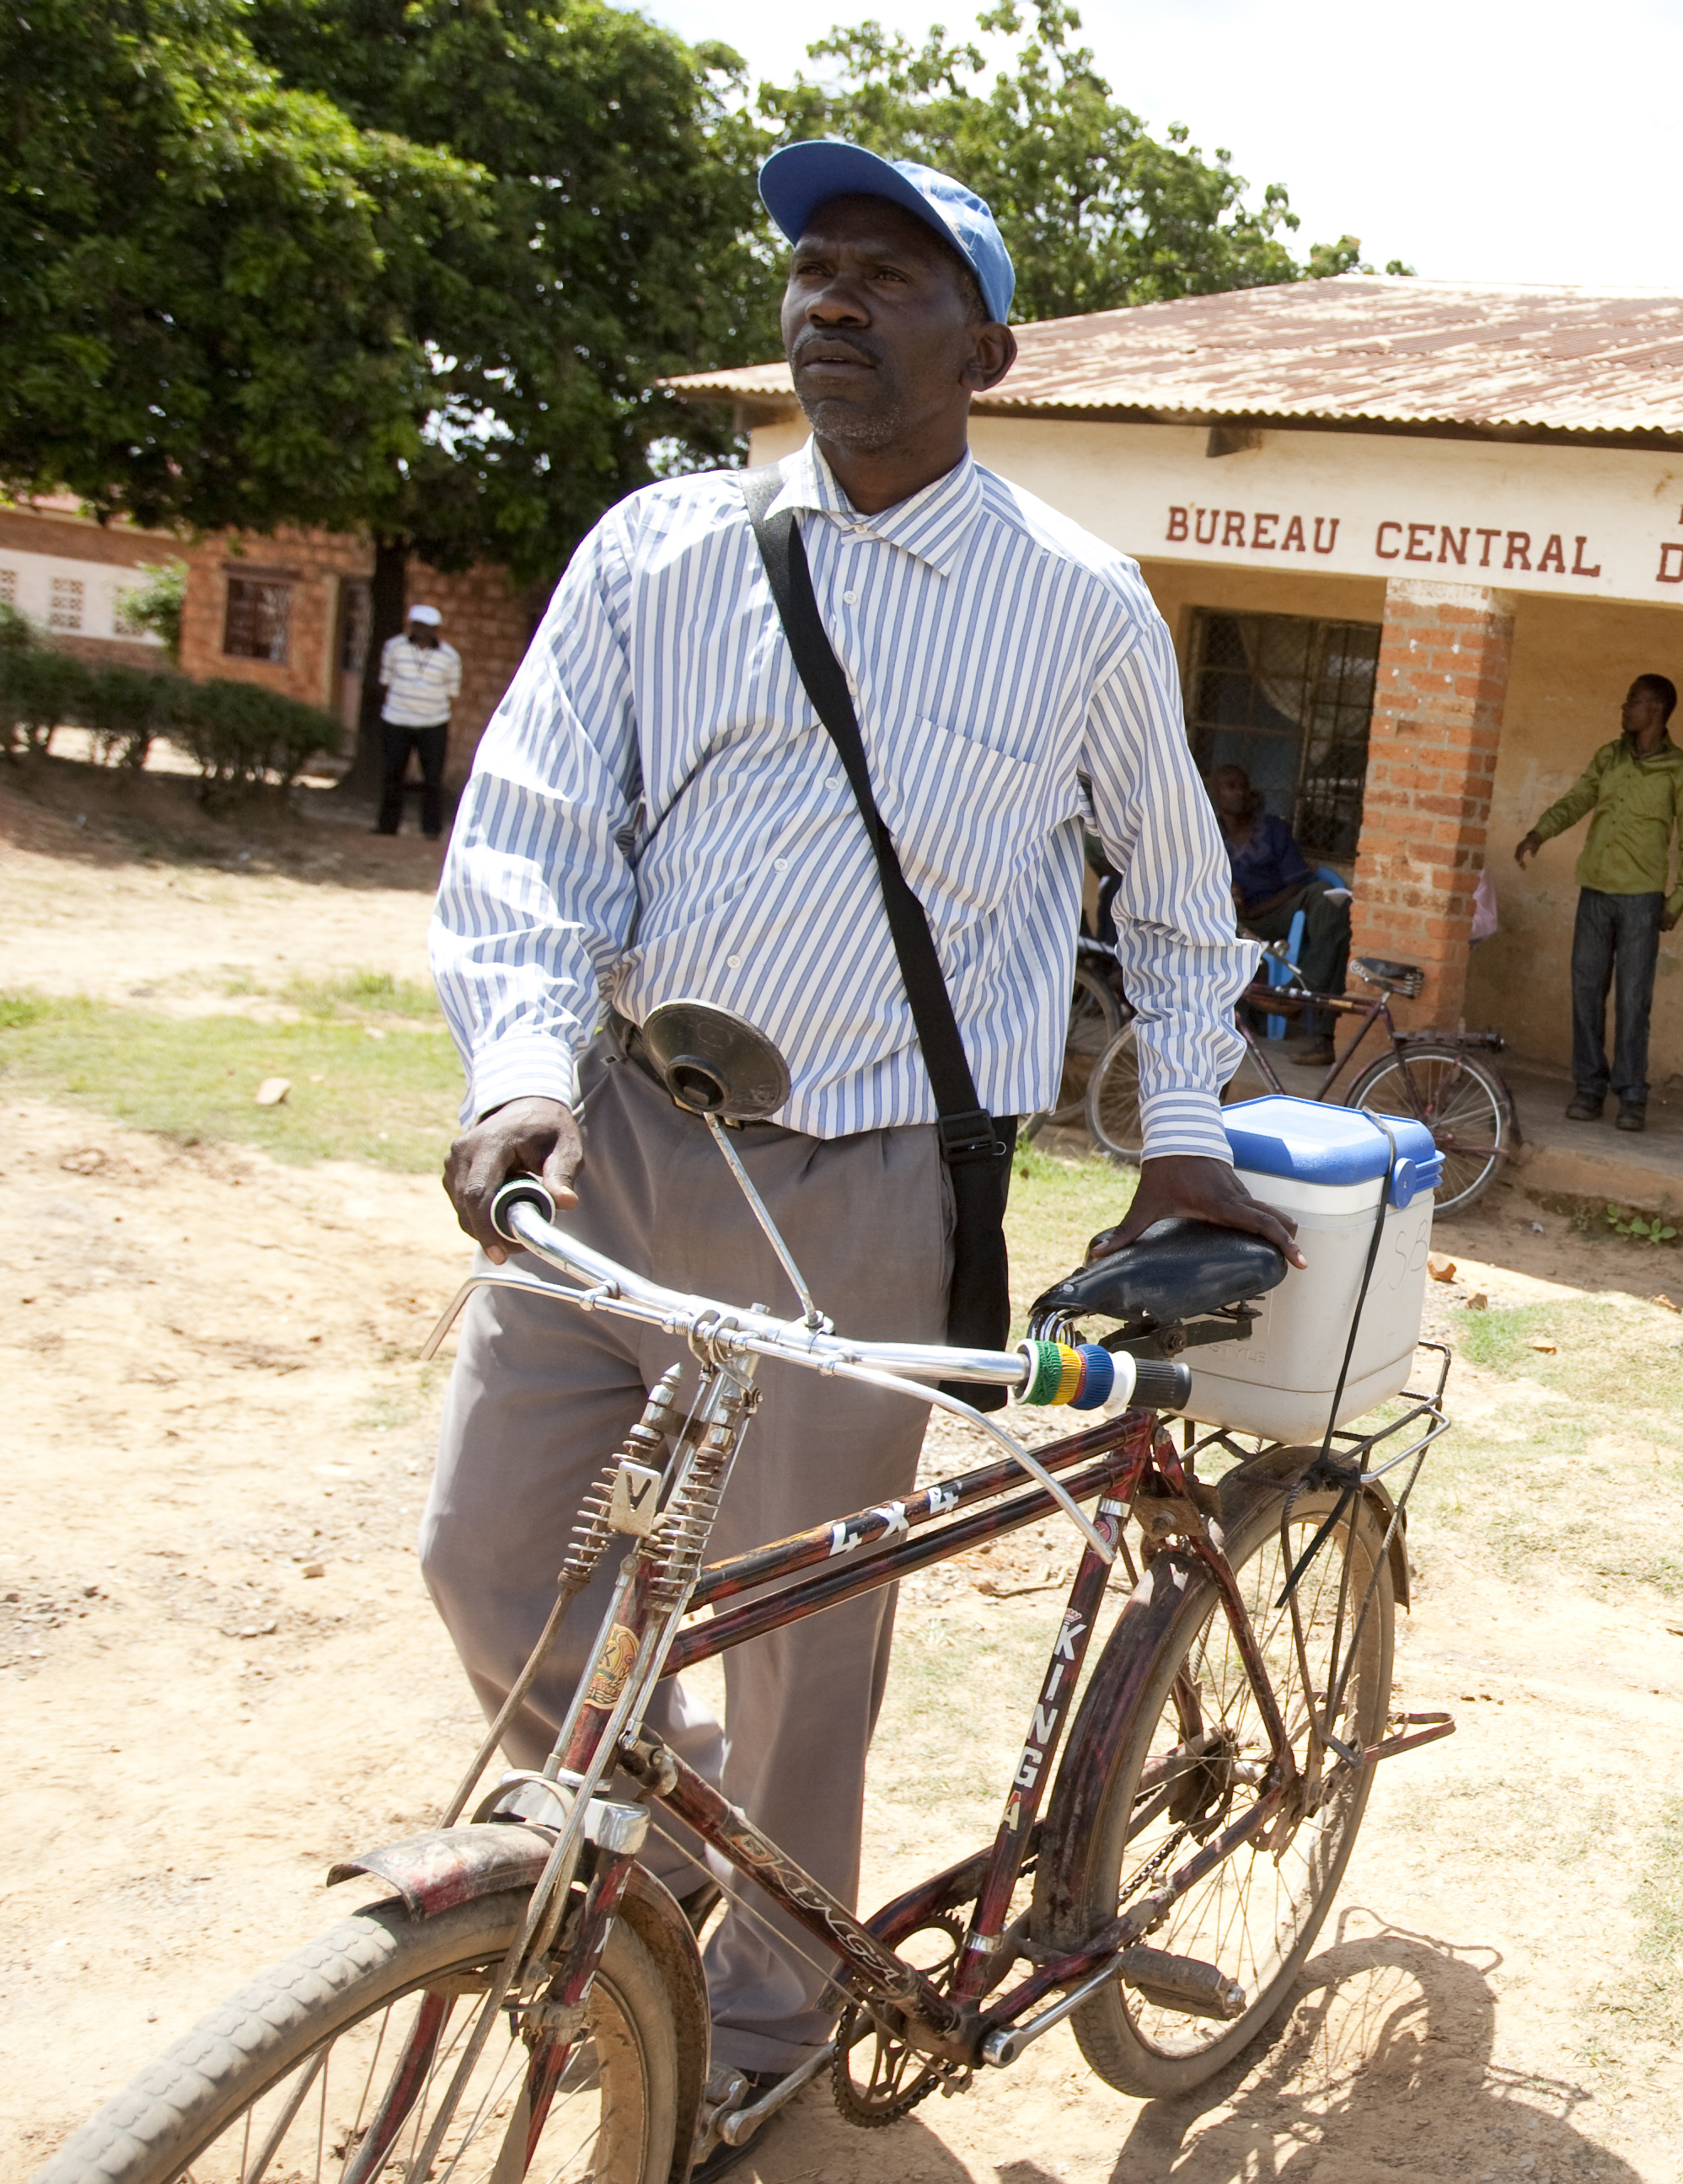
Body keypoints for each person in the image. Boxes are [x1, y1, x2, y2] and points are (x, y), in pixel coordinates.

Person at [422, 138, 1293, 2155]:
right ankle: (646, 1852)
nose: (830, 295)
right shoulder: (659, 549)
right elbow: (541, 825)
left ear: (986, 345)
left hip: (872, 1187)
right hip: (625, 1131)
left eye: (888, 274)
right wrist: (517, 1070)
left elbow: (1173, 902)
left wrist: (1181, 1138)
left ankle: (757, 2017)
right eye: (814, 266)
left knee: (806, 1643)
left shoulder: (1075, 605)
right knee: (485, 1554)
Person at [1514, 672, 1683, 1131]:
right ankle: (1589, 1088)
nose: (1624, 710)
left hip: (1642, 900)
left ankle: (1633, 1096)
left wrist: (1677, 900)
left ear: (1655, 710)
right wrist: (1541, 831)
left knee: (1634, 1000)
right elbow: (1579, 799)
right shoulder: (1609, 756)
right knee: (1585, 993)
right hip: (1596, 891)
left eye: (1632, 703)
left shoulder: (1681, 770)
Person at [1207, 763, 1349, 1062]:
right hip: (1229, 919)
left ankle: (1299, 991)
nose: (1239, 792)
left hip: (1278, 910)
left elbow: (1298, 883)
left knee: (1329, 901)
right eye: (1230, 786)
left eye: (1242, 785)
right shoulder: (1206, 835)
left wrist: (1260, 910)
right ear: (1215, 794)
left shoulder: (1273, 829)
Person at [373, 602, 462, 838]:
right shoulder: (393, 648)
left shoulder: (450, 657)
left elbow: (452, 691)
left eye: (429, 627)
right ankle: (387, 827)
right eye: (419, 626)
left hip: (433, 723)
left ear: (436, 630)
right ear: (411, 626)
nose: (423, 631)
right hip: (397, 720)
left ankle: (431, 830)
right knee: (393, 774)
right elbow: (386, 680)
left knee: (433, 778)